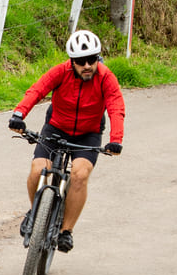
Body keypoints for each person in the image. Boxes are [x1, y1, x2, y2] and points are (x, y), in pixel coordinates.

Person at [8, 29, 125, 253]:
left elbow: (116, 106)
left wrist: (116, 139)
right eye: (81, 61)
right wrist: (19, 115)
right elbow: (37, 91)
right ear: (72, 62)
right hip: (56, 128)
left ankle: (66, 231)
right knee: (37, 169)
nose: (87, 65)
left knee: (80, 175)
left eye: (92, 59)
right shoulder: (60, 72)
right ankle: (35, 214)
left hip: (88, 134)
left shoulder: (105, 77)